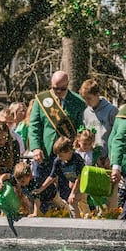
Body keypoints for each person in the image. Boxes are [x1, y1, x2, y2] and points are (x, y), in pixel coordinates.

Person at [28, 71, 86, 212]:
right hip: (44, 153)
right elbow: (34, 126)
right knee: (42, 187)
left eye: (62, 89)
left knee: (67, 191)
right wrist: (36, 148)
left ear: (68, 85)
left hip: (67, 155)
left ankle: (68, 218)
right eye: (55, 88)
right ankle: (41, 216)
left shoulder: (78, 102)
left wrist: (79, 142)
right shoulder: (41, 100)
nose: (59, 92)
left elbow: (81, 127)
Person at [32, 136, 86, 218]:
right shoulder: (58, 160)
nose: (58, 157)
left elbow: (80, 177)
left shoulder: (77, 158)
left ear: (69, 151)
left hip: (83, 184)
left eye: (60, 155)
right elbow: (52, 176)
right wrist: (41, 189)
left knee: (78, 202)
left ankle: (83, 222)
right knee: (74, 203)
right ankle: (78, 220)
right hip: (72, 184)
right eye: (57, 155)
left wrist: (73, 193)